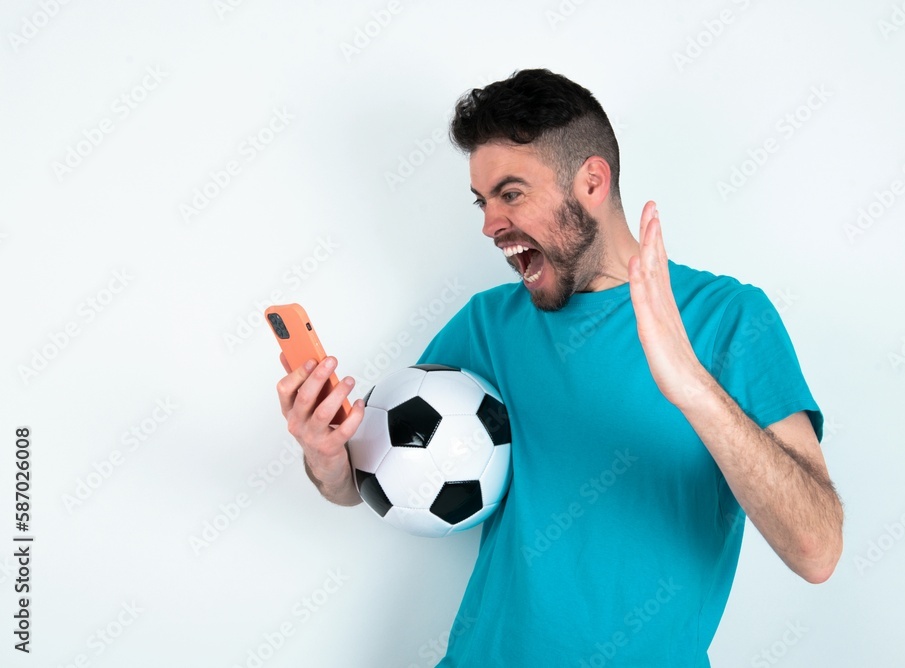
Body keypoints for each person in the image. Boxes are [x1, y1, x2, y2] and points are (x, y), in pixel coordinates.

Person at [275, 68, 843, 666]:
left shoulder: (728, 319)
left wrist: (694, 387)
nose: (490, 223)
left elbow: (817, 551)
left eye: (511, 193)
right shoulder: (488, 325)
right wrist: (325, 454)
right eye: (483, 200)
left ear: (592, 180)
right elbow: (375, 481)